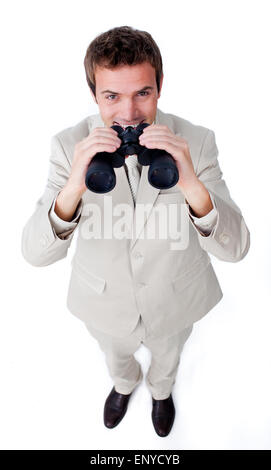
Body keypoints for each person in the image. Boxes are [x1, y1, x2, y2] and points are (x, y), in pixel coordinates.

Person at [21, 26, 250, 438]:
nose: (128, 113)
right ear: (94, 94)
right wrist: (73, 185)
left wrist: (191, 183)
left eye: (142, 93)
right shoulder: (67, 146)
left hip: (175, 297)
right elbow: (36, 255)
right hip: (104, 301)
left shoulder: (196, 142)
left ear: (160, 86)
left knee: (169, 354)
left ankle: (161, 391)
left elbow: (237, 250)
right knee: (115, 356)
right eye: (112, 96)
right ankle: (124, 385)